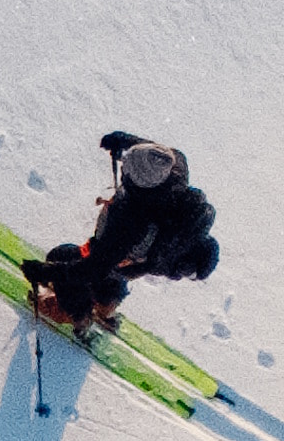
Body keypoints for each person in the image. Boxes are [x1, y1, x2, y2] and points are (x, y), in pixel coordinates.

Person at [25, 131, 218, 329]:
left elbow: (93, 268)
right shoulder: (175, 176)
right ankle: (107, 306)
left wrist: (45, 271)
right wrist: (127, 142)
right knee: (111, 270)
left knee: (62, 257)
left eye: (129, 169)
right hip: (138, 260)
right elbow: (162, 154)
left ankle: (78, 315)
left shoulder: (131, 223)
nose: (124, 168)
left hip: (123, 257)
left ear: (140, 183)